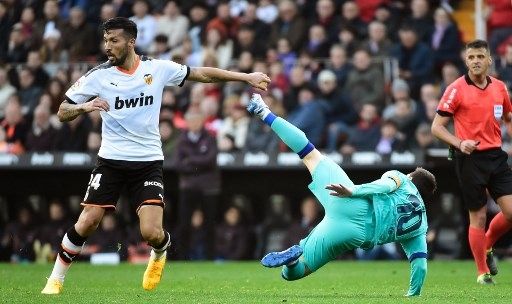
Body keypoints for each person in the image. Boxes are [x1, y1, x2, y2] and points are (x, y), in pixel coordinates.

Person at [41, 17, 270, 295]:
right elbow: (63, 110)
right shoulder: (97, 76)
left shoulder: (157, 69)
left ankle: (160, 251)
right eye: (105, 40)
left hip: (147, 162)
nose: (108, 46)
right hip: (111, 160)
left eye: (114, 40)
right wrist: (85, 106)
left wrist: (246, 77)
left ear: (131, 42)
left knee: (151, 233)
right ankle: (55, 280)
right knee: (88, 220)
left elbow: (203, 74)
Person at [247, 93, 436, 296]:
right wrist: (413, 295)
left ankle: (262, 111)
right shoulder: (421, 226)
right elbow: (420, 264)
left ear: (411, 176)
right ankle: (292, 262)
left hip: (353, 202)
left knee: (309, 154)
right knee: (293, 273)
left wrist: (353, 190)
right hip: (354, 235)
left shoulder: (403, 180)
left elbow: (384, 186)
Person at [431, 39, 512, 285]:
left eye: (480, 57)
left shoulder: (499, 87)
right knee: (477, 217)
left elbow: (508, 116)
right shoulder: (456, 89)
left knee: (511, 212)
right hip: (469, 158)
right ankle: (482, 272)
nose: (475, 61)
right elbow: (436, 127)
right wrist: (458, 143)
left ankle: (486, 245)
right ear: (466, 61)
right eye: (471, 57)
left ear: (489, 60)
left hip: (496, 155)